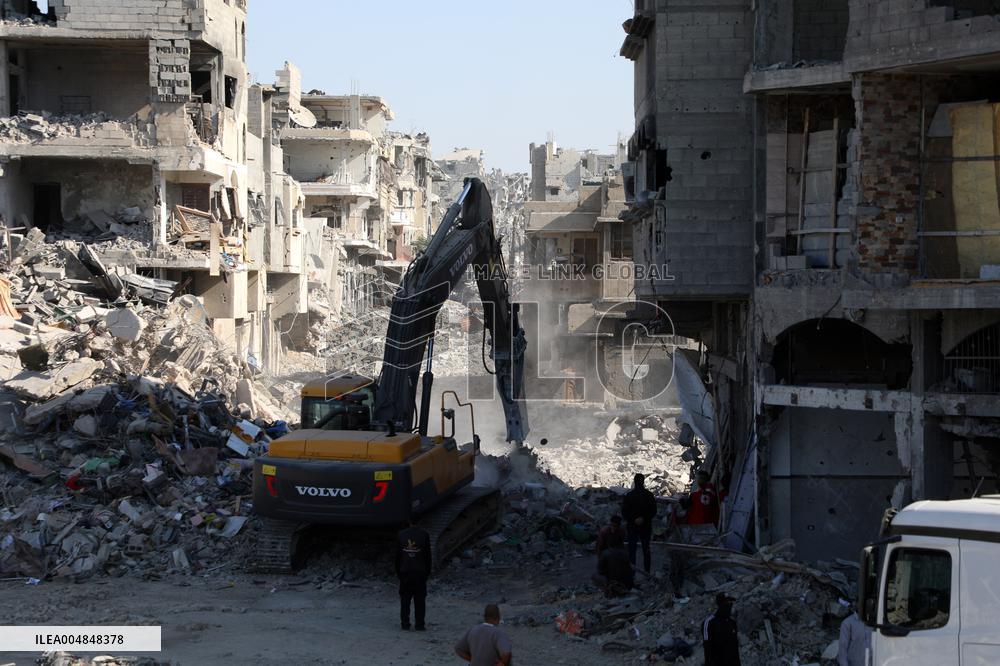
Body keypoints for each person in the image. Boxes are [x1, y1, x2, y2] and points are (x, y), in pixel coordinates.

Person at [395, 517, 431, 631]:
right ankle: (420, 625)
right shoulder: (424, 535)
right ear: (420, 521)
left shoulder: (401, 534)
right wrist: (427, 573)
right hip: (420, 572)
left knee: (405, 599)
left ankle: (405, 624)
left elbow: (397, 557)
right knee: (420, 600)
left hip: (405, 572)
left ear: (408, 521)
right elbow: (427, 556)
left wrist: (399, 573)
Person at [621, 473, 656, 573]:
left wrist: (633, 520)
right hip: (646, 526)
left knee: (632, 551)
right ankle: (647, 572)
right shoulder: (649, 495)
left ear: (634, 482)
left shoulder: (629, 495)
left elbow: (624, 512)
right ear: (643, 481)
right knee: (646, 550)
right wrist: (644, 519)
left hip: (632, 527)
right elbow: (653, 511)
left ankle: (632, 573)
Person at [703, 593, 741, 666]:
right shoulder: (709, 623)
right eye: (726, 603)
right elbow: (707, 650)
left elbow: (735, 650)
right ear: (719, 605)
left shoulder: (732, 623)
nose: (729, 606)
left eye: (731, 603)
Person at [592, 532, 634, 597]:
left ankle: (608, 589)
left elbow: (600, 570)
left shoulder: (605, 553)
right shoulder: (625, 552)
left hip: (614, 582)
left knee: (594, 576)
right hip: (628, 584)